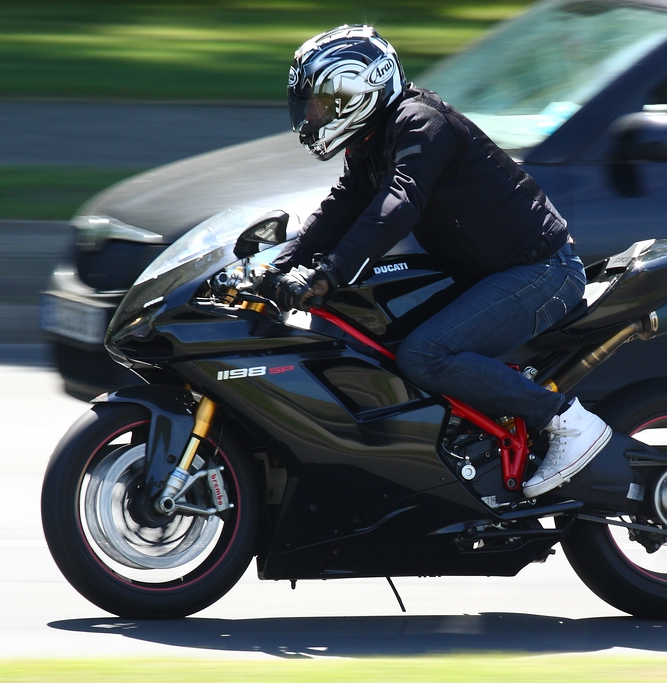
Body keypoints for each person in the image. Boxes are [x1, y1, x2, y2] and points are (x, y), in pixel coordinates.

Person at [260, 25, 611, 498]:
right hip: (488, 275)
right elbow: (342, 206)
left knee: (425, 355)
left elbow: (399, 203)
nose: (311, 115)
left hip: (542, 272)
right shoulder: (371, 140)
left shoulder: (421, 122)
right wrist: (273, 267)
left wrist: (328, 273)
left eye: (320, 103)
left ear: (355, 92)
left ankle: (565, 420)